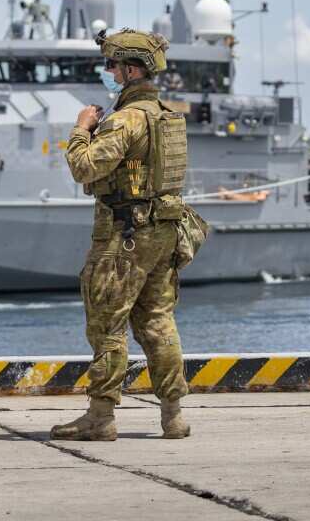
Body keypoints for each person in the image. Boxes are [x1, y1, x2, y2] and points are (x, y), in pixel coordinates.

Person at [51, 28, 198, 441]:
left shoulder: (125, 120)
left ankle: (101, 417)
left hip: (124, 236)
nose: (108, 71)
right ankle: (173, 416)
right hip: (163, 233)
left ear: (133, 69)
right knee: (158, 322)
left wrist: (82, 128)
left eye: (113, 64)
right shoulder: (166, 117)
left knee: (108, 325)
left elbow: (85, 168)